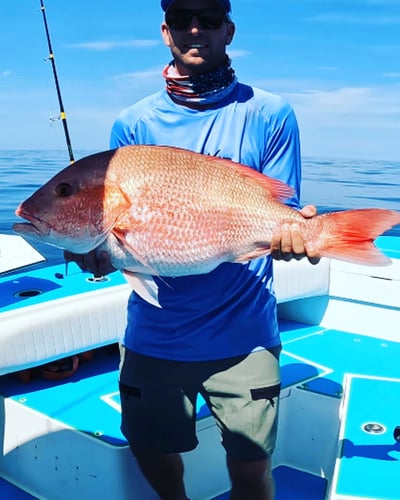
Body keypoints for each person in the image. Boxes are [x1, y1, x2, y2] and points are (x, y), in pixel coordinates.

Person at [67, 0, 319, 498]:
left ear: (229, 29)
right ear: (166, 32)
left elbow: (279, 206)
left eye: (208, 18)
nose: (195, 29)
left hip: (243, 333)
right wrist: (98, 253)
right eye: (182, 19)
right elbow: (126, 235)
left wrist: (292, 237)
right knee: (152, 452)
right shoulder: (132, 124)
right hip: (154, 335)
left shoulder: (269, 113)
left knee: (251, 467)